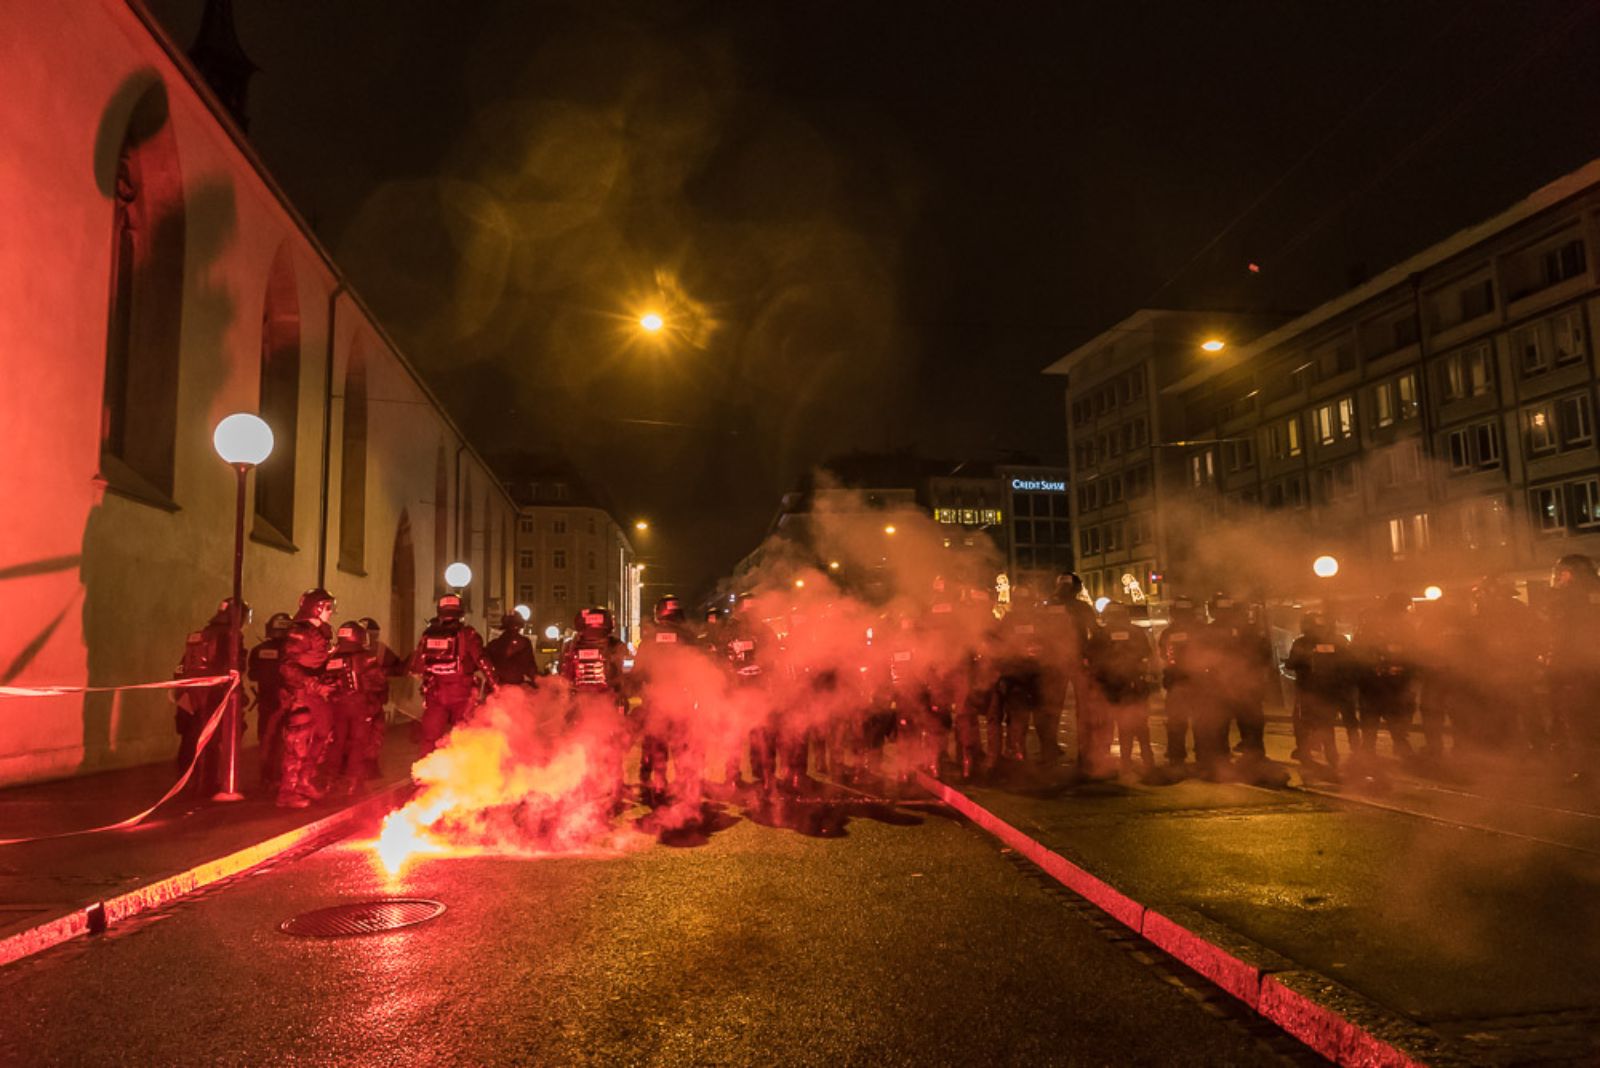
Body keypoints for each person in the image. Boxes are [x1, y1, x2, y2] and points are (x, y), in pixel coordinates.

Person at [631, 595, 706, 806]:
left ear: (658, 613)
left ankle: (659, 785)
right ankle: (686, 790)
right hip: (683, 701)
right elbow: (702, 670)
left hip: (656, 701)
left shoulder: (649, 638)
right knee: (683, 747)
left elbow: (638, 674)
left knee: (657, 746)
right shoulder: (690, 637)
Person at [172, 598, 247, 796]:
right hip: (214, 696)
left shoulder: (199, 635)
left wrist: (182, 694)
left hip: (189, 696)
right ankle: (206, 784)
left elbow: (181, 667)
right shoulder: (231, 636)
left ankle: (186, 783)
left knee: (189, 741)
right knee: (211, 741)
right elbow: (235, 668)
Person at [407, 594, 494, 754]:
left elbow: (416, 667)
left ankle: (426, 774)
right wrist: (496, 685)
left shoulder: (428, 634)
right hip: (462, 693)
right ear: (460, 612)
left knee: (430, 738)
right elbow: (482, 660)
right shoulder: (467, 634)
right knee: (462, 737)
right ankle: (460, 774)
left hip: (435, 694)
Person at [278, 588, 336, 808]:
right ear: (316, 608)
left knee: (322, 737)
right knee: (298, 743)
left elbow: (317, 662)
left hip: (317, 696)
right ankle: (287, 791)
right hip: (301, 696)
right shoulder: (300, 632)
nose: (331, 612)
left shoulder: (320, 632)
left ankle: (304, 781)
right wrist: (314, 684)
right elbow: (287, 666)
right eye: (328, 607)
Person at [1545, 553, 1600, 781]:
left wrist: (1553, 660)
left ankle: (1584, 769)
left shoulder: (1568, 599)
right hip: (1592, 666)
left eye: (1563, 573)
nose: (1559, 578)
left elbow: (1563, 635)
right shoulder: (1595, 593)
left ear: (1572, 574)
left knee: (1577, 719)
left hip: (1577, 668)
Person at [1283, 612, 1355, 779]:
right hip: (1329, 692)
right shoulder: (1337, 641)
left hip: (1310, 692)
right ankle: (1331, 757)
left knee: (1303, 723)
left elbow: (1292, 663)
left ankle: (1308, 752)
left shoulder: (1302, 642)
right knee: (1326, 725)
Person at [1086, 601, 1155, 775]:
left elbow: (1091, 659)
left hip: (1111, 687)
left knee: (1108, 725)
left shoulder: (1101, 634)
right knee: (1137, 724)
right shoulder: (1136, 632)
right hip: (1132, 685)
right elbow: (1147, 655)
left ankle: (1113, 762)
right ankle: (1146, 761)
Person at [1352, 593, 1417, 762]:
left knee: (1393, 715)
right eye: (1403, 608)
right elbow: (1358, 650)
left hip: (1394, 681)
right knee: (1372, 716)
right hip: (1373, 680)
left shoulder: (1404, 627)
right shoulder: (1371, 625)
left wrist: (1407, 672)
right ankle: (1370, 750)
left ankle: (1398, 746)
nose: (1404, 612)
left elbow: (1413, 652)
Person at [324, 621, 384, 796]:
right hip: (360, 705)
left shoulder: (332, 656)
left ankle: (330, 780)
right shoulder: (366, 657)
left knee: (337, 743)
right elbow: (378, 682)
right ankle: (353, 781)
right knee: (358, 743)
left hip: (337, 705)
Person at [1157, 597, 1205, 771]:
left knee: (1177, 722)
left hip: (1177, 682)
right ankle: (1203, 755)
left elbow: (1164, 654)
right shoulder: (1201, 631)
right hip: (1198, 682)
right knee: (1201, 721)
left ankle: (1176, 757)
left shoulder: (1168, 633)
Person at [248, 612, 292, 789]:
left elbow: (252, 675)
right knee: (289, 739)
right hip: (288, 700)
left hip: (266, 700)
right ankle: (284, 776)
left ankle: (266, 776)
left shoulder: (258, 650)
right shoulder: (293, 651)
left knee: (266, 738)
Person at [485, 613, 539, 689]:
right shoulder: (524, 643)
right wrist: (536, 680)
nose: (515, 629)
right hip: (515, 687)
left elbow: (486, 664)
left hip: (498, 687)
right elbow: (530, 665)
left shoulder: (494, 644)